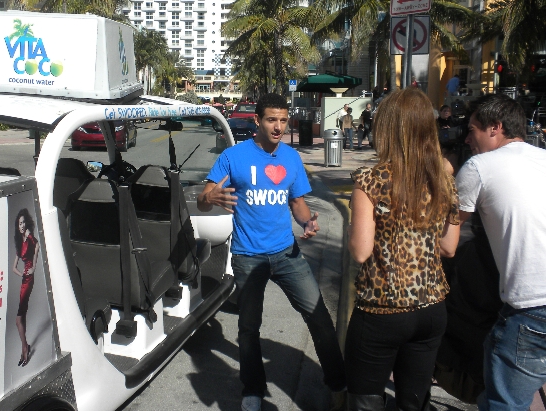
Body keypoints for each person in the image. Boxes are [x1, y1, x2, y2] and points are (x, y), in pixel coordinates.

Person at [197, 93, 347, 411]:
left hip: (286, 254)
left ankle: (338, 384)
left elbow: (297, 202)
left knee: (319, 317)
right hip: (248, 256)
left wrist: (307, 222)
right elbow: (204, 197)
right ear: (258, 121)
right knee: (249, 327)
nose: (278, 127)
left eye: (283, 120)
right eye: (271, 120)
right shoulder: (234, 157)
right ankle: (253, 389)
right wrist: (210, 198)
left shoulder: (291, 158)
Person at [346, 87, 460, 411]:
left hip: (382, 309)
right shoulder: (444, 179)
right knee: (414, 401)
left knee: (366, 401)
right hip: (431, 309)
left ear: (388, 128)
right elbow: (449, 247)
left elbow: (360, 251)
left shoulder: (371, 180)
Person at [455, 94, 546, 411]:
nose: (467, 140)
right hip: (531, 309)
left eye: (472, 130)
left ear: (495, 127)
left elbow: (446, 239)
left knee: (504, 403)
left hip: (532, 307)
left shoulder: (479, 167)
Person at [12, 208, 40, 368]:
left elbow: (37, 247)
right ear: (18, 227)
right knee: (21, 316)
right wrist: (21, 273)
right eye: (19, 224)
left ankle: (24, 348)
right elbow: (13, 268)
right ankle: (25, 346)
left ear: (26, 223)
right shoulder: (19, 243)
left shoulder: (30, 239)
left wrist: (34, 267)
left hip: (29, 280)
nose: (22, 225)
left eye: (23, 222)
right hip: (24, 280)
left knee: (18, 319)